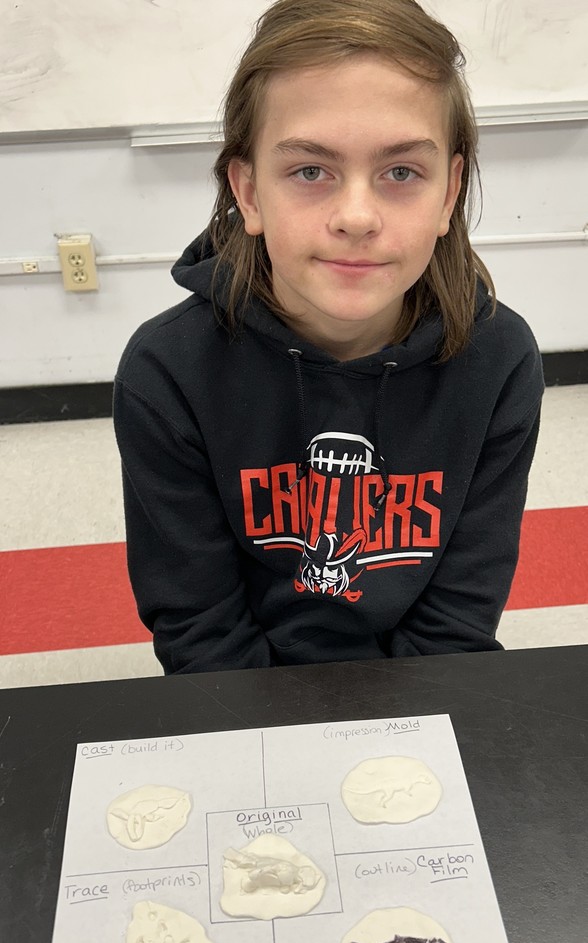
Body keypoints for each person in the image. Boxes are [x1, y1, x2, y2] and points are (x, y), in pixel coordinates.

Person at [113, 0, 544, 675]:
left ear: (449, 192)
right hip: (242, 695)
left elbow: (459, 617)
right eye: (310, 171)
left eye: (402, 172)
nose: (356, 216)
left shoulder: (500, 360)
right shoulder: (166, 372)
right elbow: (199, 628)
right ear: (250, 194)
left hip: (425, 687)